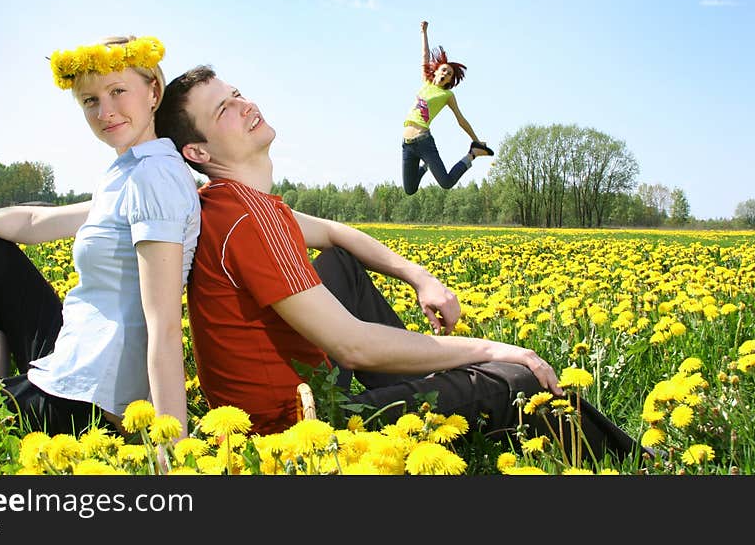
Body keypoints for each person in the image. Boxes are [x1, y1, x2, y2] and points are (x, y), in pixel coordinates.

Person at [155, 64, 639, 463]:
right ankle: (635, 467)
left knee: (341, 262)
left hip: (295, 394)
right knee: (519, 379)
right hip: (298, 437)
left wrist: (419, 275)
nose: (246, 105)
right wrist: (491, 350)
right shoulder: (249, 219)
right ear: (198, 152)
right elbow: (354, 347)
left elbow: (336, 234)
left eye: (238, 93)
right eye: (224, 109)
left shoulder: (230, 202)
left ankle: (423, 390)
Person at [0, 35, 200, 443]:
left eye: (118, 91)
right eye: (90, 101)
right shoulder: (131, 171)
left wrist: (170, 449)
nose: (105, 112)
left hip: (90, 401)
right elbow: (33, 221)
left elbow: (165, 326)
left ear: (154, 90)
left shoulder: (153, 178)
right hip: (77, 351)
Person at [402, 20, 493, 196]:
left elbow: (461, 120)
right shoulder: (426, 81)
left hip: (424, 142)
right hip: (406, 145)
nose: (446, 74)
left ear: (451, 81)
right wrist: (424, 33)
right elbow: (424, 55)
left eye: (449, 74)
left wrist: (476, 140)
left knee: (446, 182)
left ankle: (473, 154)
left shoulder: (447, 96)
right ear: (436, 71)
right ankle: (425, 167)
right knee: (410, 189)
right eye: (444, 70)